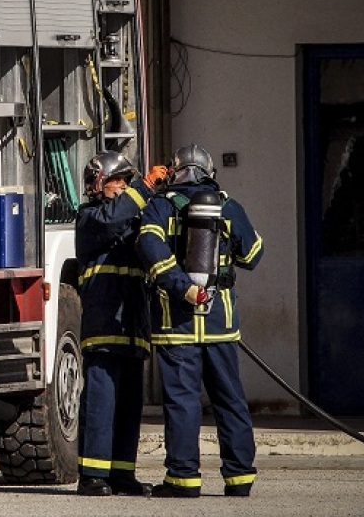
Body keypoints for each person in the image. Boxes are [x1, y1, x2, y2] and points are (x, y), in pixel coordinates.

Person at [135, 144, 265, 498]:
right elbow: (252, 255)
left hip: (175, 323)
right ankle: (239, 478)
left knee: (182, 401)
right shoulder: (227, 204)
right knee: (230, 399)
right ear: (210, 172)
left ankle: (183, 479)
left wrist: (182, 287)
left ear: (174, 172)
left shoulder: (160, 206)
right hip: (220, 322)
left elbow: (149, 249)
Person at [74, 151, 168, 496]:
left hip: (133, 325)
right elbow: (113, 218)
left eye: (125, 183)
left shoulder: (133, 218)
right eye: (120, 183)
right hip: (103, 323)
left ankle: (122, 473)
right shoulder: (90, 219)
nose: (122, 189)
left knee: (129, 404)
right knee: (102, 400)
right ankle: (92, 476)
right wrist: (144, 187)